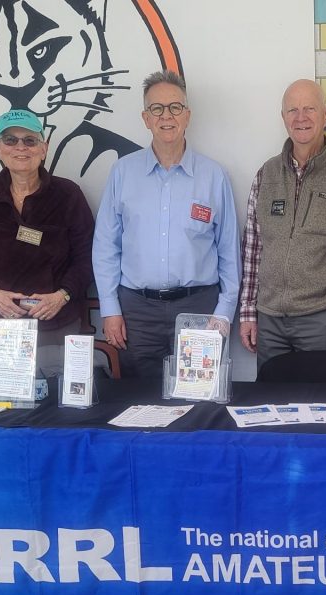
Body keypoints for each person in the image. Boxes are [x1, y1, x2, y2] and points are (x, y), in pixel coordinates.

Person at [93, 70, 240, 379]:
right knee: (139, 404)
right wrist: (110, 308)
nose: (166, 116)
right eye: (156, 109)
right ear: (146, 118)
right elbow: (106, 246)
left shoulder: (213, 176)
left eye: (174, 107)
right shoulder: (123, 173)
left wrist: (224, 313)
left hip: (199, 309)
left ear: (187, 115)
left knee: (197, 402)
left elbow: (229, 250)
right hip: (138, 313)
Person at [238, 79, 326, 367]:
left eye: (309, 108)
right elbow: (253, 247)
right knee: (272, 404)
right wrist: (249, 311)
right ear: (283, 118)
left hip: (322, 321)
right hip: (270, 323)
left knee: (322, 403)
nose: (301, 118)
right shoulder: (266, 174)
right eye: (293, 110)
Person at [0, 109, 94, 377]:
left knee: (51, 410)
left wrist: (61, 297)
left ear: (44, 148)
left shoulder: (67, 195)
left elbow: (87, 258)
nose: (20, 147)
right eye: (10, 140)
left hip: (52, 322)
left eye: (30, 140)